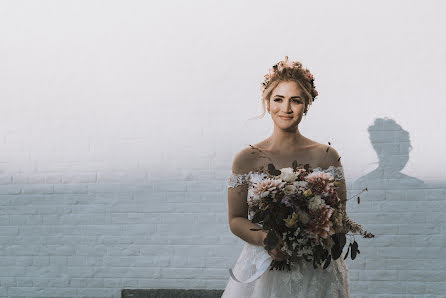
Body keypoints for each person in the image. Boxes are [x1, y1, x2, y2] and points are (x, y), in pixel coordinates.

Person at [221, 56, 350, 297]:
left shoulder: (327, 156)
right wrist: (265, 238)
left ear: (307, 105)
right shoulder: (247, 158)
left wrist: (311, 230)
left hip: (315, 268)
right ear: (268, 102)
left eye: (295, 101)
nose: (286, 109)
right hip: (264, 266)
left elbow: (340, 216)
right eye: (278, 99)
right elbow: (236, 219)